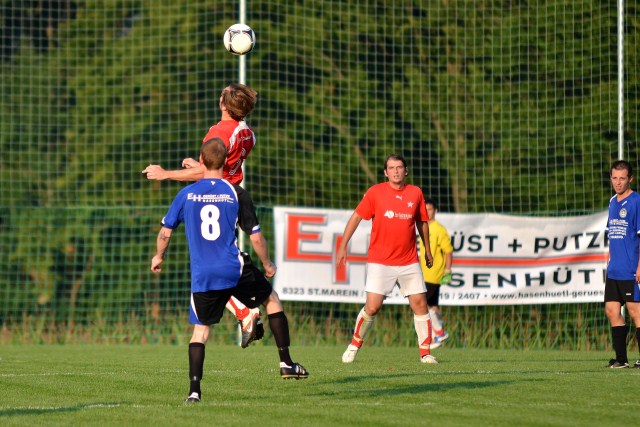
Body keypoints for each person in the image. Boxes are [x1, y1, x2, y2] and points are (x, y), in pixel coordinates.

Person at [150, 138, 308, 403]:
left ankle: (194, 392)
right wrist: (267, 264)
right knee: (271, 299)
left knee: (200, 332)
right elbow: (255, 237)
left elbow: (165, 232)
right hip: (234, 268)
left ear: (201, 160)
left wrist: (158, 256)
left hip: (203, 275)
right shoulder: (236, 192)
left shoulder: (186, 194)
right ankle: (286, 362)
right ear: (226, 161)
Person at [143, 83, 261, 346]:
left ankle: (245, 311)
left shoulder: (219, 131)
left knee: (209, 269)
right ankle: (244, 311)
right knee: (218, 266)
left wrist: (165, 174)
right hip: (229, 198)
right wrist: (200, 165)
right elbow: (222, 167)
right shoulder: (248, 133)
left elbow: (206, 173)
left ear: (224, 105)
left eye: (223, 93)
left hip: (213, 198)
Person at [336, 154, 437, 364]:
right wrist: (343, 245)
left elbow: (422, 222)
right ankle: (354, 345)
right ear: (385, 172)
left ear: (406, 171)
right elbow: (356, 217)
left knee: (420, 304)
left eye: (399, 167)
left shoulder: (415, 193)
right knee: (372, 307)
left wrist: (427, 249)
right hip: (380, 261)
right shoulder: (375, 192)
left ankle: (425, 353)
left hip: (409, 260)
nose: (396, 171)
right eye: (391, 168)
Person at [604, 160, 640, 369]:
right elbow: (612, 234)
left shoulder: (636, 201)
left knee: (636, 313)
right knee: (611, 310)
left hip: (631, 269)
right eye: (614, 178)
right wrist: (609, 260)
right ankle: (621, 359)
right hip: (614, 269)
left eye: (622, 178)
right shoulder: (612, 202)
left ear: (630, 179)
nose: (618, 182)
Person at [418, 198, 453, 349]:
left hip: (433, 274)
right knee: (432, 306)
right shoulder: (422, 226)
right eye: (425, 209)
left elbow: (448, 250)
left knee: (421, 303)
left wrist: (447, 270)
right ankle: (438, 334)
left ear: (436, 211)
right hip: (424, 272)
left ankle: (438, 332)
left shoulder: (439, 229)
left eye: (430, 209)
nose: (427, 212)